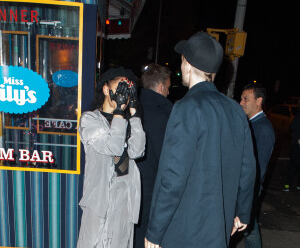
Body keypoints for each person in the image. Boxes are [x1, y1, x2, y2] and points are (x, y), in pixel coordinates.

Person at [145, 32, 256, 248]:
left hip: (184, 233)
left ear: (186, 64)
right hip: (218, 231)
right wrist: (242, 212)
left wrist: (154, 231)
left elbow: (173, 176)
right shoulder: (235, 110)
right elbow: (247, 168)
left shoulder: (186, 108)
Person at [77, 67, 145, 248]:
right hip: (100, 200)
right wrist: (119, 113)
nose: (125, 91)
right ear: (106, 89)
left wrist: (135, 116)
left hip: (124, 198)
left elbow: (137, 151)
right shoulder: (90, 119)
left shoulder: (127, 122)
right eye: (121, 85)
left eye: (129, 88)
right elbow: (113, 146)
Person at [134, 64, 173, 248]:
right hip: (152, 189)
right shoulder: (167, 114)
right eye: (168, 88)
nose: (168, 93)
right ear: (161, 87)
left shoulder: (130, 107)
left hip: (126, 183)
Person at [240, 83, 275, 248]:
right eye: (241, 98)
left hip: (249, 190)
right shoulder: (252, 124)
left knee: (249, 228)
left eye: (246, 99)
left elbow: (258, 167)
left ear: (259, 101)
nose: (241, 103)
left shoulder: (263, 129)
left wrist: (248, 194)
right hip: (245, 189)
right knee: (248, 228)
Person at [283, 108, 300, 191]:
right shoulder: (298, 116)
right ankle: (287, 184)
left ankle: (298, 185)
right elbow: (293, 127)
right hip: (296, 144)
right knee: (293, 164)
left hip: (296, 143)